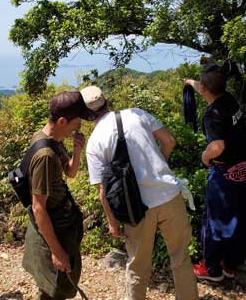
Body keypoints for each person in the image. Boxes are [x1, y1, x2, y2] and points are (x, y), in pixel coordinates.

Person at [81, 85, 199, 300]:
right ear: (107, 101)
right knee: (181, 258)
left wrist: (113, 222)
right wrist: (158, 166)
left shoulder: (94, 142)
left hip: (135, 208)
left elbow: (103, 191)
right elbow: (169, 141)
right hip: (169, 196)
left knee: (137, 266)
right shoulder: (137, 114)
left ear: (86, 115)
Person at [185, 64, 246, 281]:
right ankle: (229, 264)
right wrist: (190, 83)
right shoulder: (229, 99)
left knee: (213, 220)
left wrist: (205, 157)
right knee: (239, 216)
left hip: (225, 172)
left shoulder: (211, 115)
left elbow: (217, 146)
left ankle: (211, 269)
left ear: (205, 91)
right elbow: (207, 86)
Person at [22, 91, 94, 300]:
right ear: (62, 121)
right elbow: (38, 207)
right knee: (55, 289)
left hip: (60, 224)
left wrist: (77, 150)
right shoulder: (45, 155)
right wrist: (56, 251)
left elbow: (70, 173)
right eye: (77, 122)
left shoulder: (52, 139)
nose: (79, 126)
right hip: (55, 229)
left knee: (54, 288)